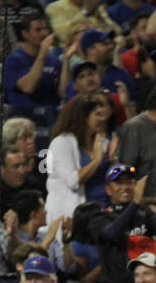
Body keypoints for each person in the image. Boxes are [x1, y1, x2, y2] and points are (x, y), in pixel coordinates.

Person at [47, 94, 117, 223]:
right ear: (83, 118)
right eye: (98, 114)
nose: (103, 118)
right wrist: (97, 160)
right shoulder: (62, 143)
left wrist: (113, 159)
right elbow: (72, 181)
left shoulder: (103, 142)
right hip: (74, 217)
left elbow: (115, 179)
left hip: (104, 211)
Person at [4, 10, 63, 108]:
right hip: (24, 114)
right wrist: (42, 55)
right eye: (38, 30)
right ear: (25, 34)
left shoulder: (54, 60)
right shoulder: (13, 60)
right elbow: (28, 87)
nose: (44, 33)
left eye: (45, 29)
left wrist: (66, 58)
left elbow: (63, 93)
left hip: (51, 115)